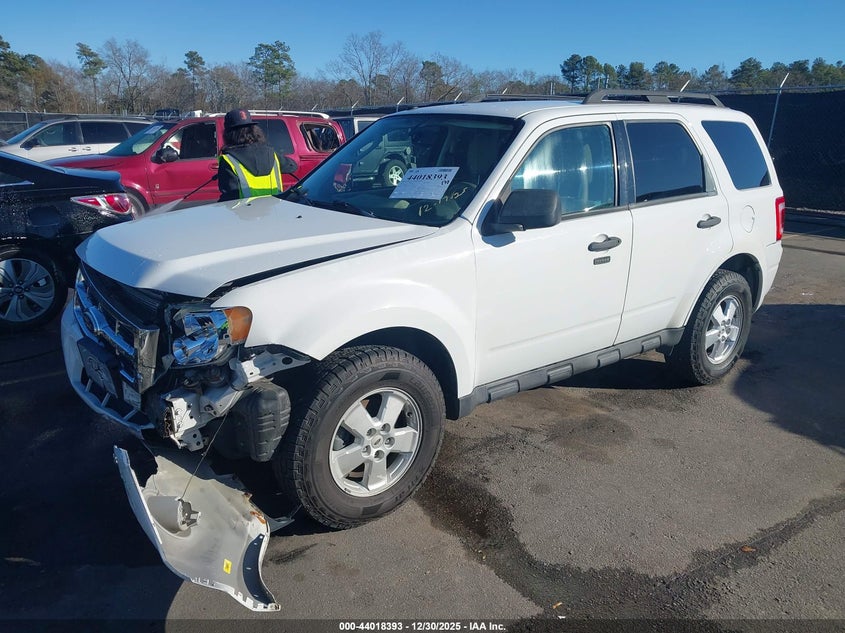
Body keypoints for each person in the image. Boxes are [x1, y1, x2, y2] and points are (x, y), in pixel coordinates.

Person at [217, 108, 283, 201]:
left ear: (228, 134)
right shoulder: (271, 153)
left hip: (244, 213)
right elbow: (292, 166)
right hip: (273, 210)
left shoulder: (229, 160)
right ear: (254, 131)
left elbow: (229, 197)